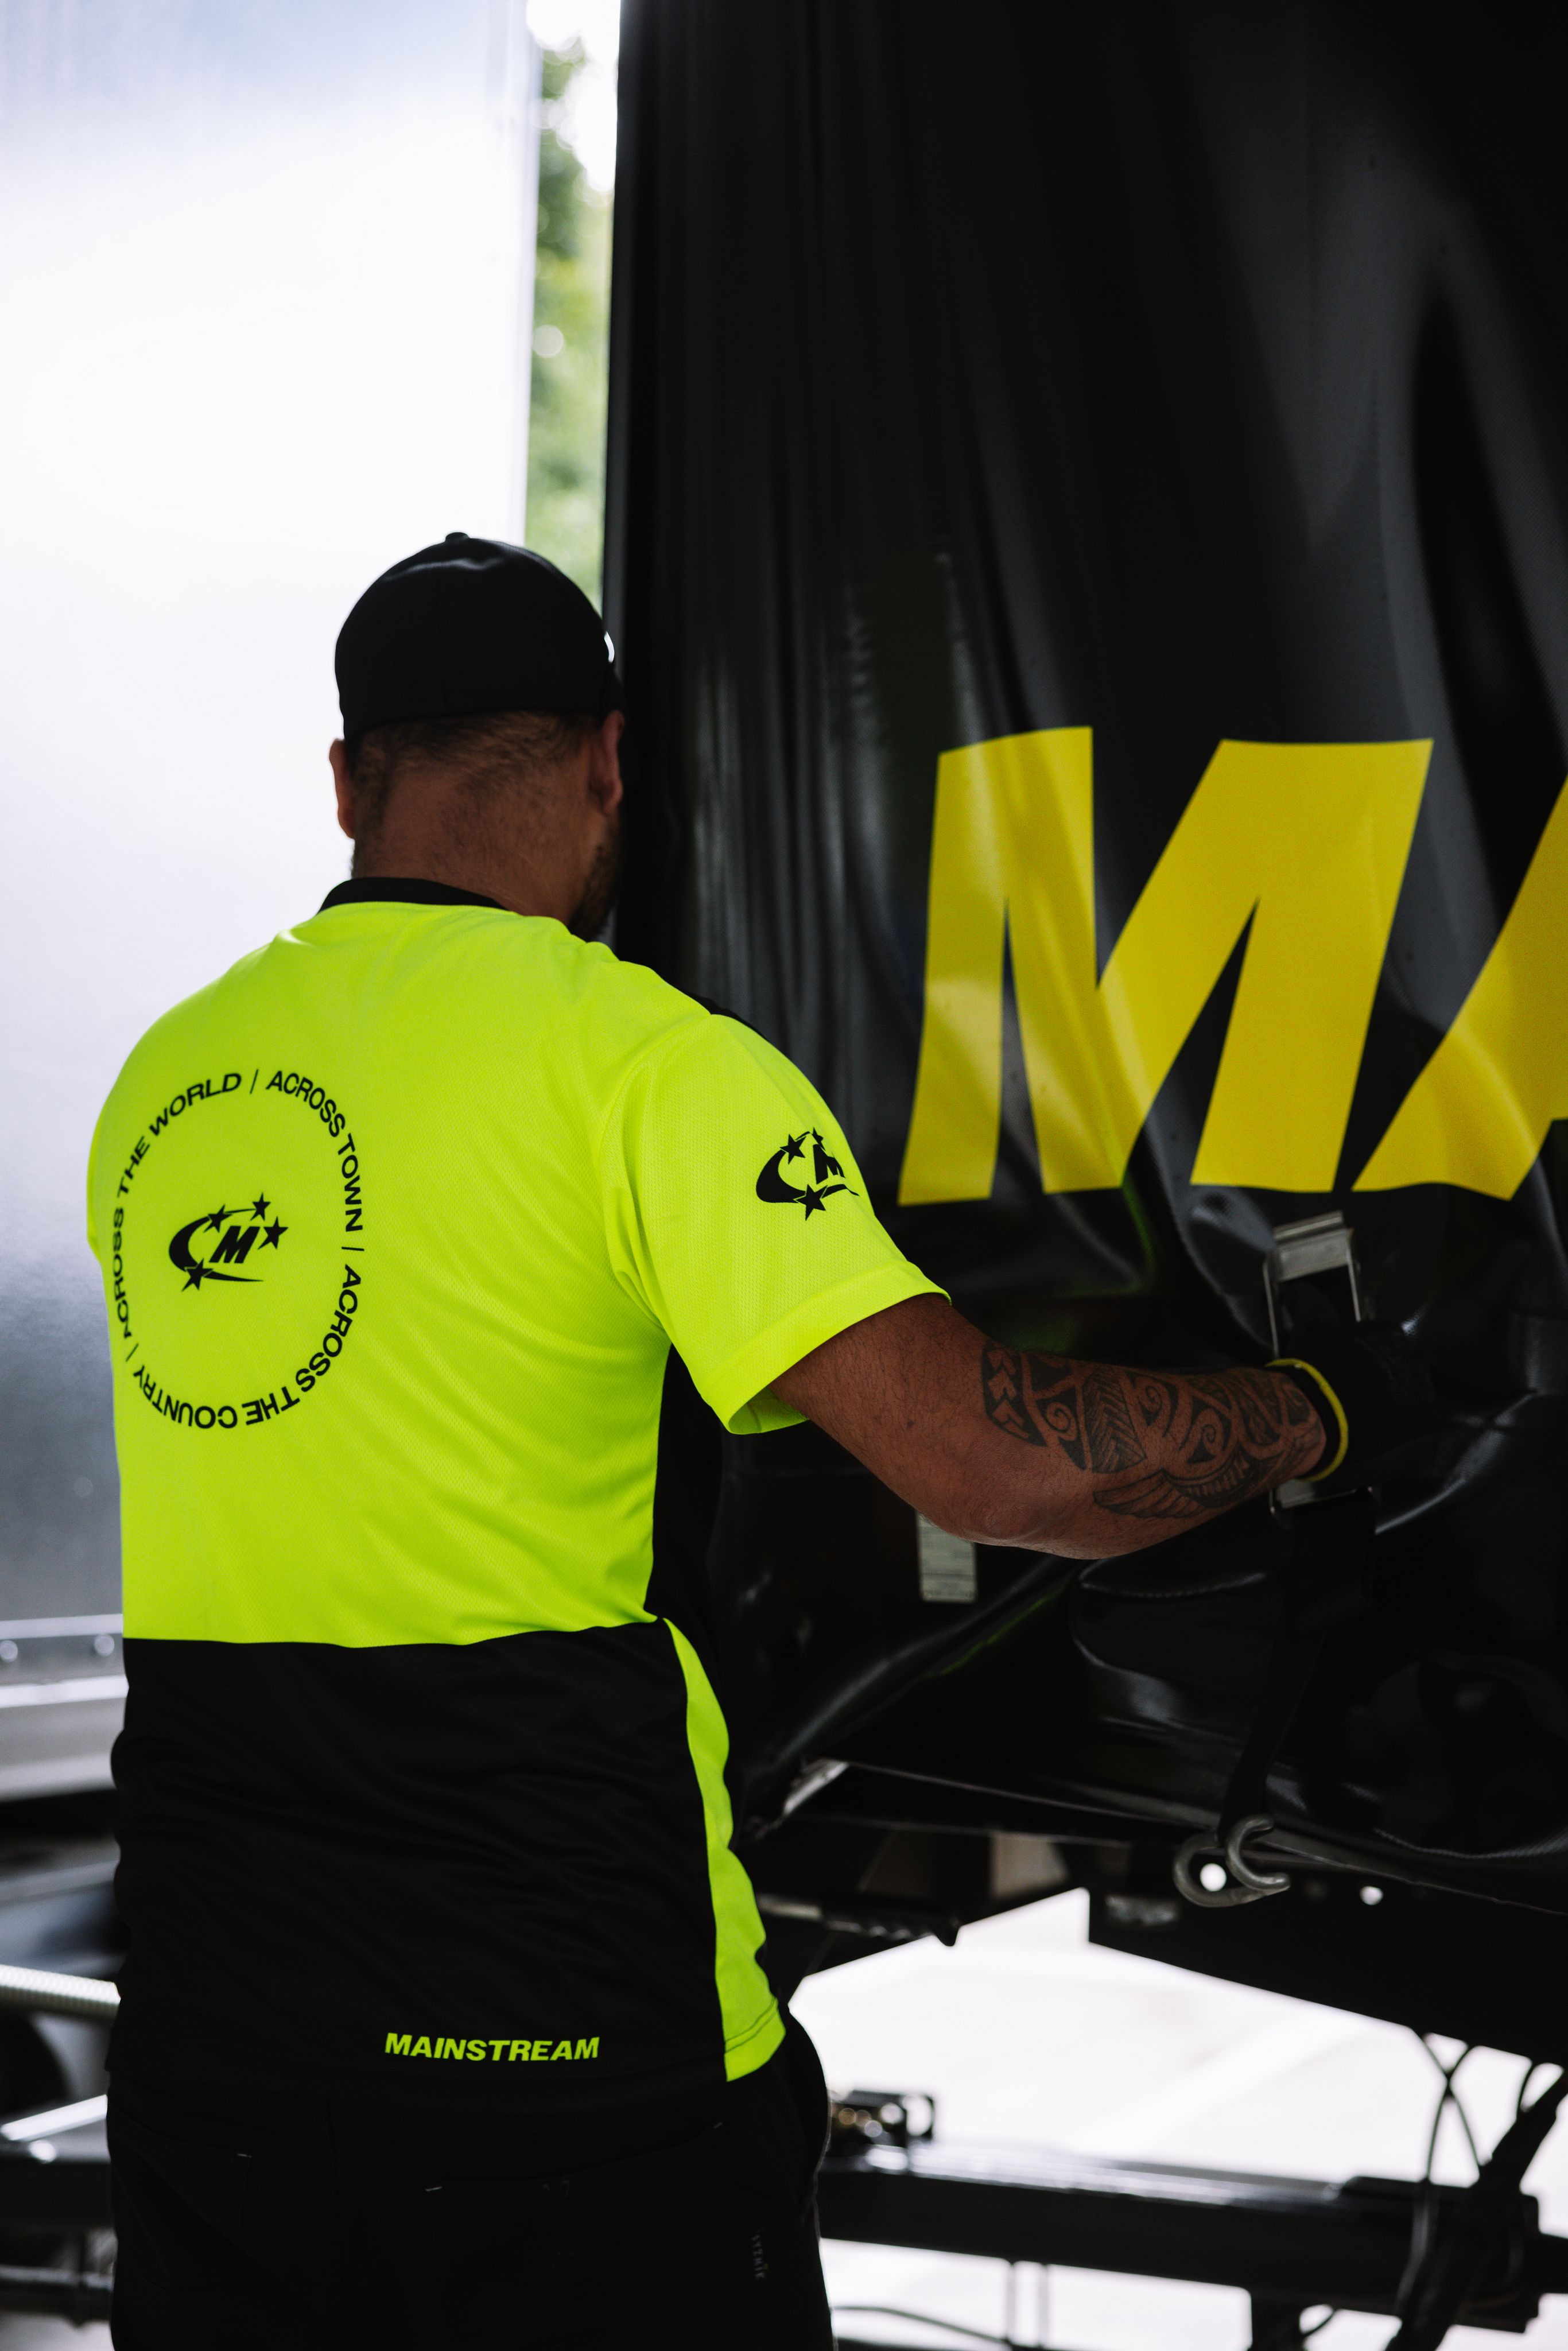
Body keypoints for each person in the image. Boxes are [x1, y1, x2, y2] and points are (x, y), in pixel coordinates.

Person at [87, 536, 1436, 2349]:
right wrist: (1323, 1411)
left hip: (218, 2040)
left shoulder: (165, 1081)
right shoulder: (642, 1066)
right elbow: (1004, 1468)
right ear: (607, 763)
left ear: (347, 779)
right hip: (559, 2050)